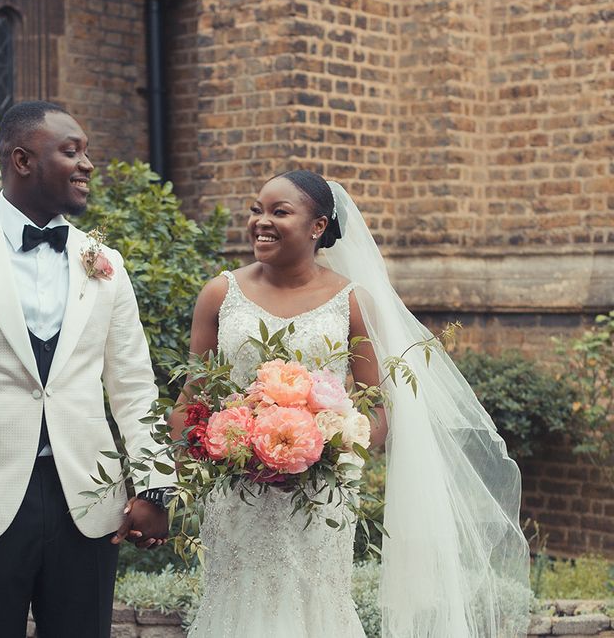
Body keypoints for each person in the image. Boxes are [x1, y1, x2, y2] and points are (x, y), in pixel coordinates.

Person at [173, 170, 531, 637]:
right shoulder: (220, 294)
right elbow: (191, 400)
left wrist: (322, 450)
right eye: (256, 209)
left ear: (317, 227)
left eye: (279, 212)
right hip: (238, 498)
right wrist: (201, 457)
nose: (261, 221)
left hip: (319, 499)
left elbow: (377, 412)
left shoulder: (352, 302)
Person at [0, 100, 173, 638]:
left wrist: (156, 486)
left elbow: (134, 386)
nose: (87, 164)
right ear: (22, 160)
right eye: (71, 152)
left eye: (87, 151)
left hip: (87, 504)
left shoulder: (104, 261)